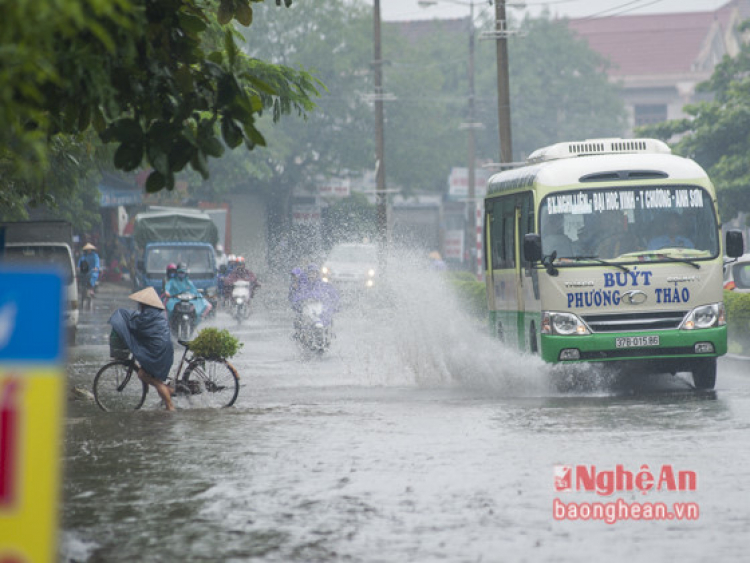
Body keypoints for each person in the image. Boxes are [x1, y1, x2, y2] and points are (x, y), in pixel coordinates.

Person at [109, 287, 175, 411]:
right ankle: (169, 391)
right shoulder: (155, 312)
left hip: (157, 351)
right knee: (144, 375)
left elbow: (137, 326)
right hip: (161, 348)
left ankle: (170, 407)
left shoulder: (149, 314)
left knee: (152, 379)